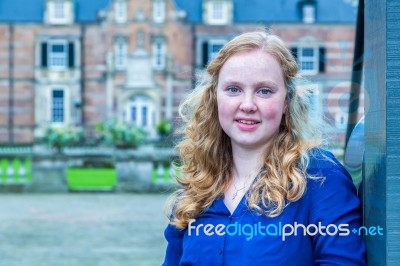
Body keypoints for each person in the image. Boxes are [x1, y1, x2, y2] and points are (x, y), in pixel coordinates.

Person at [162, 31, 366, 265]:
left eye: (264, 91)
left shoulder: (320, 177)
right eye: (233, 89)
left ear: (286, 103)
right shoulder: (197, 186)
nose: (247, 104)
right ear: (214, 98)